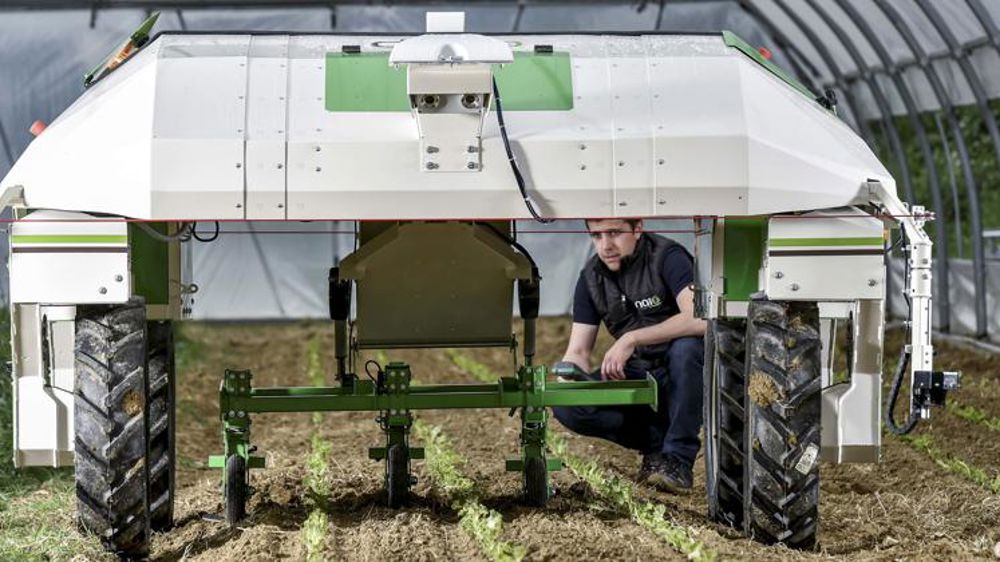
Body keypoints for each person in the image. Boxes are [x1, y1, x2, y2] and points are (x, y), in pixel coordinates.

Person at [552, 218, 706, 493]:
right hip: (638, 370)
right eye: (597, 236)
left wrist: (631, 338)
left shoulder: (666, 256)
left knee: (687, 349)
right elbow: (578, 351)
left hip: (684, 370)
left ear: (637, 229)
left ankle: (677, 460)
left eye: (614, 233)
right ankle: (656, 446)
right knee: (568, 406)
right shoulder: (591, 278)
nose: (606, 245)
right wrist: (568, 378)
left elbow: (699, 319)